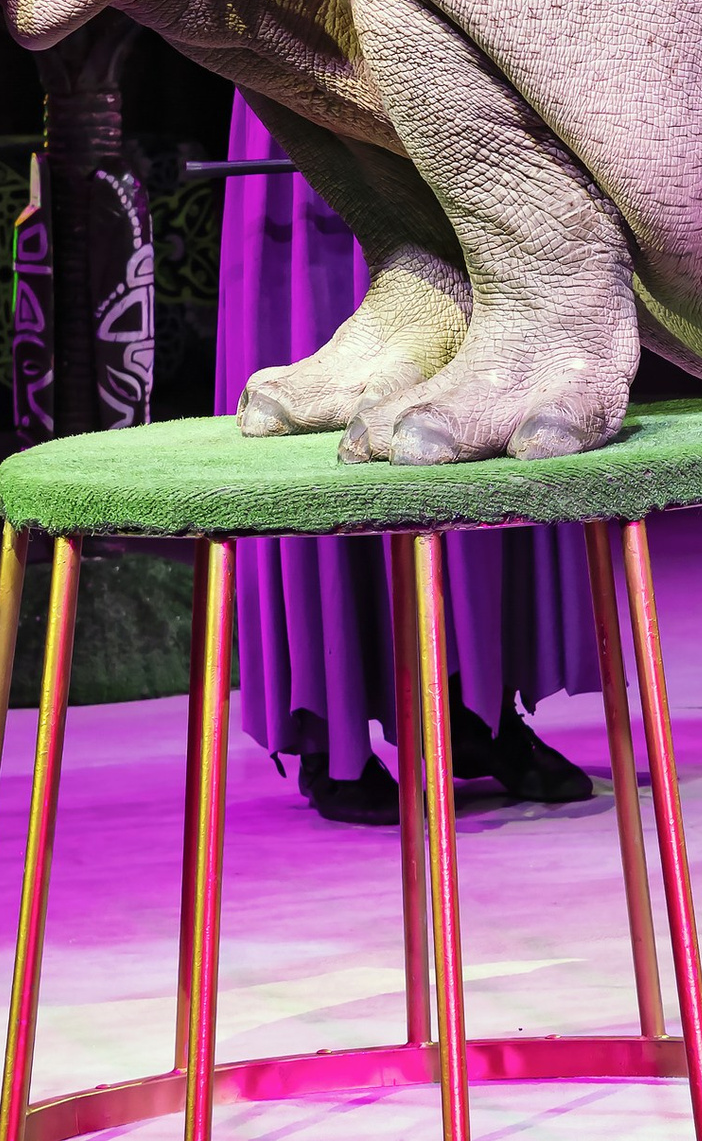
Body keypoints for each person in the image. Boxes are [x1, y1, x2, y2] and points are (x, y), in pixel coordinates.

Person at [217, 97, 600, 822]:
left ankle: (476, 709)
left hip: (448, 49)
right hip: (301, 30)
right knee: (332, 346)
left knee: (482, 382)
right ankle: (331, 731)